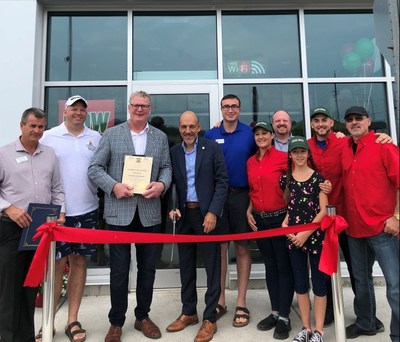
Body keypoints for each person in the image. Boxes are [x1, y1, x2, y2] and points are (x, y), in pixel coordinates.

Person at [88, 91, 172, 341]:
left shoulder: (160, 137)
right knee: (119, 271)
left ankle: (142, 317)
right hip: (119, 213)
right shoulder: (113, 134)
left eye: (144, 106)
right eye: (135, 105)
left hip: (148, 213)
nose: (139, 109)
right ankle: (116, 322)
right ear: (129, 107)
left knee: (148, 269)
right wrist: (114, 186)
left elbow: (166, 167)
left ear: (150, 108)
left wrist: (162, 185)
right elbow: (94, 168)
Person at [308, 106, 390, 329]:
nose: (321, 124)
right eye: (316, 121)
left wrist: (384, 137)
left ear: (332, 123)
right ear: (312, 125)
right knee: (322, 267)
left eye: (324, 120)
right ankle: (328, 313)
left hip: (346, 216)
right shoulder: (306, 147)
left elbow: (367, 141)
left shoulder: (344, 142)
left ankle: (367, 316)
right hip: (319, 218)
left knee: (358, 270)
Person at [36, 95, 101, 342]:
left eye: (82, 109)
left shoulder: (95, 137)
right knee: (53, 266)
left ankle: (72, 320)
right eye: (74, 108)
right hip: (55, 212)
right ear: (65, 111)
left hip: (87, 210)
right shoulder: (49, 136)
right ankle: (47, 322)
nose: (78, 113)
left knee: (79, 263)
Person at [0, 108, 65, 342]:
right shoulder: (4, 153)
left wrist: (61, 212)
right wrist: (8, 207)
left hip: (39, 231)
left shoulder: (49, 154)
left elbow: (57, 188)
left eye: (41, 127)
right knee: (9, 290)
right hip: (11, 228)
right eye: (32, 126)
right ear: (21, 126)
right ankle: (7, 337)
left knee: (30, 288)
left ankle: (26, 337)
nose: (37, 130)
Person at [166, 111, 228, 342]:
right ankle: (189, 312)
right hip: (183, 217)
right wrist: (171, 207)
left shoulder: (211, 148)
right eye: (184, 127)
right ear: (179, 128)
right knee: (187, 267)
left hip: (207, 217)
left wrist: (213, 212)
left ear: (199, 127)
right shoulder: (173, 152)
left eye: (192, 126)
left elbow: (222, 181)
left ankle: (209, 318)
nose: (188, 131)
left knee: (212, 268)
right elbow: (170, 183)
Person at [341, 106, 399, 341]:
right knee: (361, 280)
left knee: (395, 285)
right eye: (350, 120)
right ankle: (366, 323)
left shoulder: (384, 145)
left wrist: (397, 216)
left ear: (368, 121)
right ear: (345, 125)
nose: (354, 122)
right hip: (355, 228)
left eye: (359, 119)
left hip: (383, 228)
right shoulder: (344, 147)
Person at [204, 94, 257, 327]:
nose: (230, 110)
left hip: (242, 197)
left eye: (234, 106)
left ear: (240, 109)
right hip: (218, 199)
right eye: (226, 106)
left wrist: (252, 203)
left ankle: (241, 302)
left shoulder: (249, 134)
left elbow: (258, 163)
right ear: (221, 109)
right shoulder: (210, 134)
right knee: (220, 249)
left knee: (243, 248)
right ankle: (221, 300)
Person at [246, 122, 294, 340]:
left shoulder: (284, 158)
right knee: (270, 266)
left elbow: (294, 188)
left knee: (284, 267)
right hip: (260, 220)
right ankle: (275, 311)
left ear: (272, 135)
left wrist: (289, 216)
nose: (261, 137)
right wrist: (249, 210)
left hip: (279, 219)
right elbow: (253, 190)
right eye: (257, 134)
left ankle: (285, 316)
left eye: (265, 133)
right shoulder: (250, 162)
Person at [280, 136, 328, 342]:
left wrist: (306, 233)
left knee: (319, 283)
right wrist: (285, 224)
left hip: (314, 236)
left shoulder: (319, 179)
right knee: (300, 283)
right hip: (294, 238)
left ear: (308, 154)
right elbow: (291, 206)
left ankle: (319, 330)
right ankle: (306, 328)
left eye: (303, 151)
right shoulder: (286, 179)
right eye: (295, 152)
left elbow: (324, 210)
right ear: (290, 155)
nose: (299, 155)